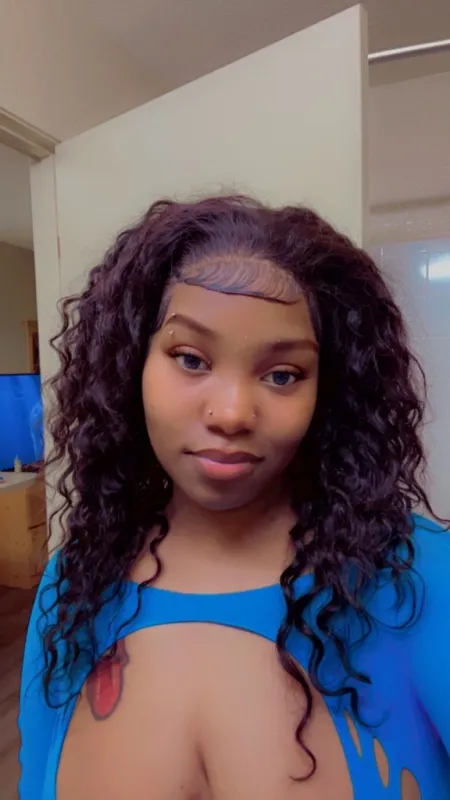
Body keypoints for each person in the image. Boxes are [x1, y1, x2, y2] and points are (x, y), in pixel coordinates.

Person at [18, 195, 450, 800]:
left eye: (282, 375)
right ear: (130, 365)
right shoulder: (74, 584)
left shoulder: (421, 579)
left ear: (328, 391)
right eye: (190, 359)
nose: (230, 413)